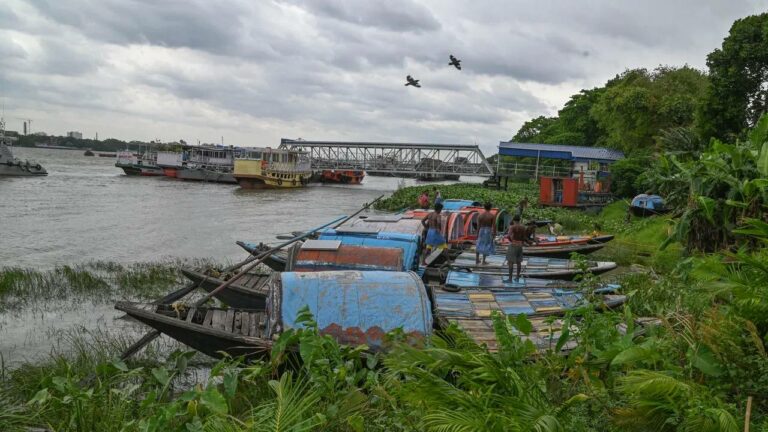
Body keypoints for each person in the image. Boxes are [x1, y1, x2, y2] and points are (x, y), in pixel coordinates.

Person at [506, 216, 533, 281]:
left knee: (510, 262)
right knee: (519, 262)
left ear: (513, 220)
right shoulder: (523, 227)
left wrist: (511, 241)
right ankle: (517, 277)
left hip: (513, 245)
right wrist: (528, 242)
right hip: (520, 245)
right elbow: (524, 237)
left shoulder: (512, 227)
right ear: (519, 220)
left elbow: (508, 236)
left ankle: (510, 279)